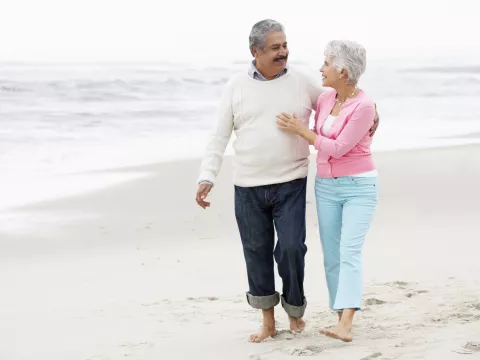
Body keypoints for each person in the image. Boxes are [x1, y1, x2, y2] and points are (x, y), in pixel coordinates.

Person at [195, 19, 378, 343]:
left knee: (292, 248)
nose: (283, 52)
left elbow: (344, 99)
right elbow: (219, 134)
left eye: (285, 45)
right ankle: (268, 321)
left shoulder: (302, 83)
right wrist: (207, 176)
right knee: (257, 251)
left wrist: (374, 113)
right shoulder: (236, 86)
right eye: (275, 48)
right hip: (248, 184)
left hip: (291, 181)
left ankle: (295, 309)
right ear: (256, 51)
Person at [276, 40, 379, 343]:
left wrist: (302, 132)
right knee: (332, 256)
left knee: (349, 252)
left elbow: (337, 147)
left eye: (326, 63)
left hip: (359, 187)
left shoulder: (364, 106)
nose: (321, 68)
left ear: (343, 70)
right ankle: (340, 317)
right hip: (326, 187)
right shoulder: (325, 99)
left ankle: (346, 323)